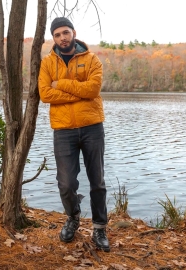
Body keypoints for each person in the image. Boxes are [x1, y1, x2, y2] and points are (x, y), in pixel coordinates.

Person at [38, 17, 110, 252]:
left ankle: (99, 228)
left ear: (74, 33)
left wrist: (63, 84)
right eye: (57, 35)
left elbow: (93, 89)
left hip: (92, 127)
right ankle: (73, 217)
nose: (62, 38)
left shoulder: (91, 60)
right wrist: (79, 94)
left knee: (97, 181)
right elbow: (46, 94)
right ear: (54, 38)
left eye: (65, 33)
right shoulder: (48, 63)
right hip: (63, 130)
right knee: (66, 183)